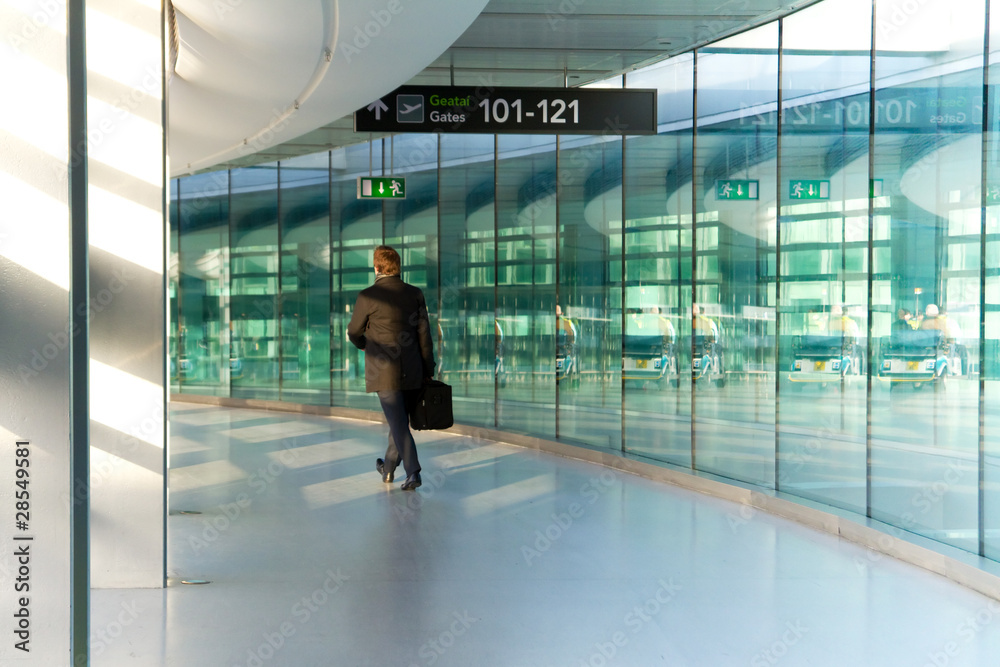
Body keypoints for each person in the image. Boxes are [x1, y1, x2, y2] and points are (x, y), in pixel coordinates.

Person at [347, 246, 436, 491]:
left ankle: (413, 471)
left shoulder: (368, 296)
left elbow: (353, 332)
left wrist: (365, 345)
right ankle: (387, 469)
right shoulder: (415, 294)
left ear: (376, 267)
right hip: (413, 370)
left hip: (383, 371)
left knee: (397, 423)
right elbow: (424, 336)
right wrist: (428, 368)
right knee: (398, 421)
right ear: (398, 266)